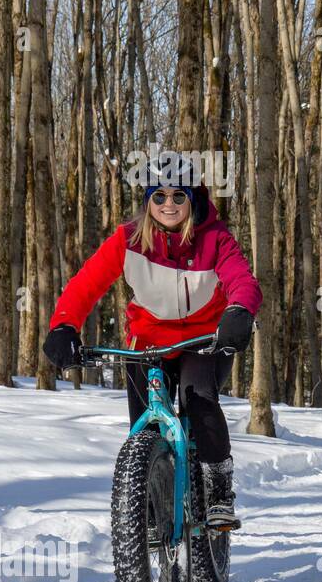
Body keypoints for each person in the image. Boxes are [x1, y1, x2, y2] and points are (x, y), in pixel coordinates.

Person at [43, 155, 262, 531]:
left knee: (199, 399)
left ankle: (218, 492)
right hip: (147, 341)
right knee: (144, 430)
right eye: (158, 196)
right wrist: (64, 326)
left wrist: (240, 311)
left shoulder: (214, 238)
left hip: (205, 340)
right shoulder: (127, 239)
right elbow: (86, 285)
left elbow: (242, 279)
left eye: (179, 196)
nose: (169, 205)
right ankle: (147, 501)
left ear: (193, 198)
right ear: (147, 201)